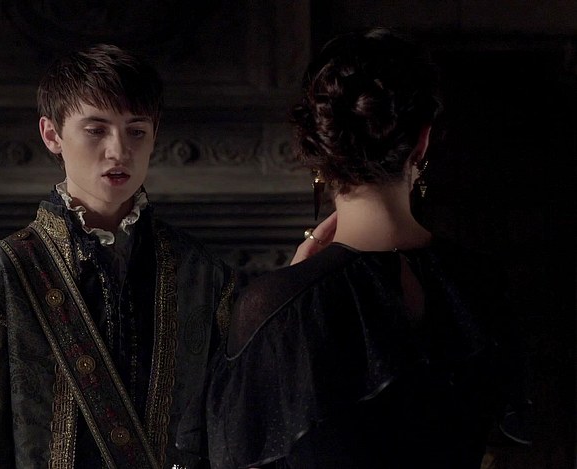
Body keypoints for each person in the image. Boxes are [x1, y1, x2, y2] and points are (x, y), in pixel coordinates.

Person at [202, 28, 528, 468]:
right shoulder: (483, 282)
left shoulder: (273, 306)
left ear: (318, 150)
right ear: (422, 142)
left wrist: (287, 296)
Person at [0, 44, 234, 468]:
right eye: (96, 130)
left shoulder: (203, 275)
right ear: (52, 135)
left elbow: (230, 431)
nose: (119, 151)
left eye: (136, 131)